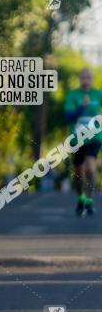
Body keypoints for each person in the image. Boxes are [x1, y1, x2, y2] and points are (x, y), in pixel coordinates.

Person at [64, 68, 102, 216]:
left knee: (91, 167)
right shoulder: (73, 95)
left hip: (95, 136)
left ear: (92, 79)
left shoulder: (98, 94)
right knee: (79, 170)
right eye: (83, 77)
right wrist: (82, 107)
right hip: (77, 137)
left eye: (88, 77)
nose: (86, 80)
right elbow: (68, 118)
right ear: (80, 79)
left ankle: (89, 201)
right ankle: (80, 198)